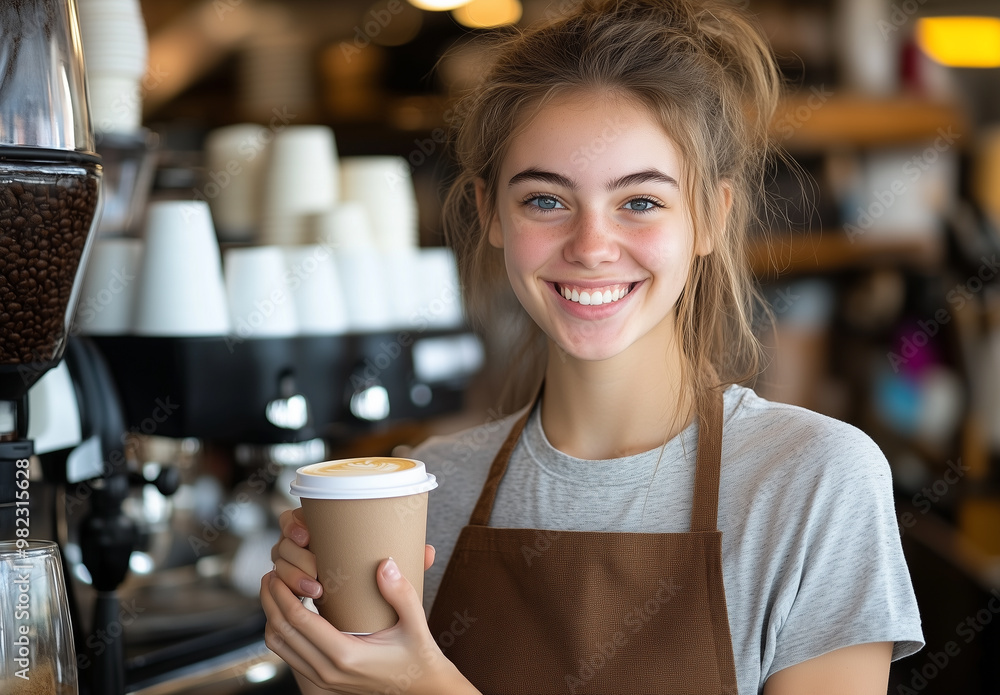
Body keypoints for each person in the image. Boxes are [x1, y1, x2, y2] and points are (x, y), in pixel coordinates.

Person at [260, 0, 925, 692]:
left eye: (640, 201)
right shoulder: (429, 491)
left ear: (710, 216)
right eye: (546, 200)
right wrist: (328, 656)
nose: (590, 247)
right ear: (491, 213)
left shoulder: (815, 483)